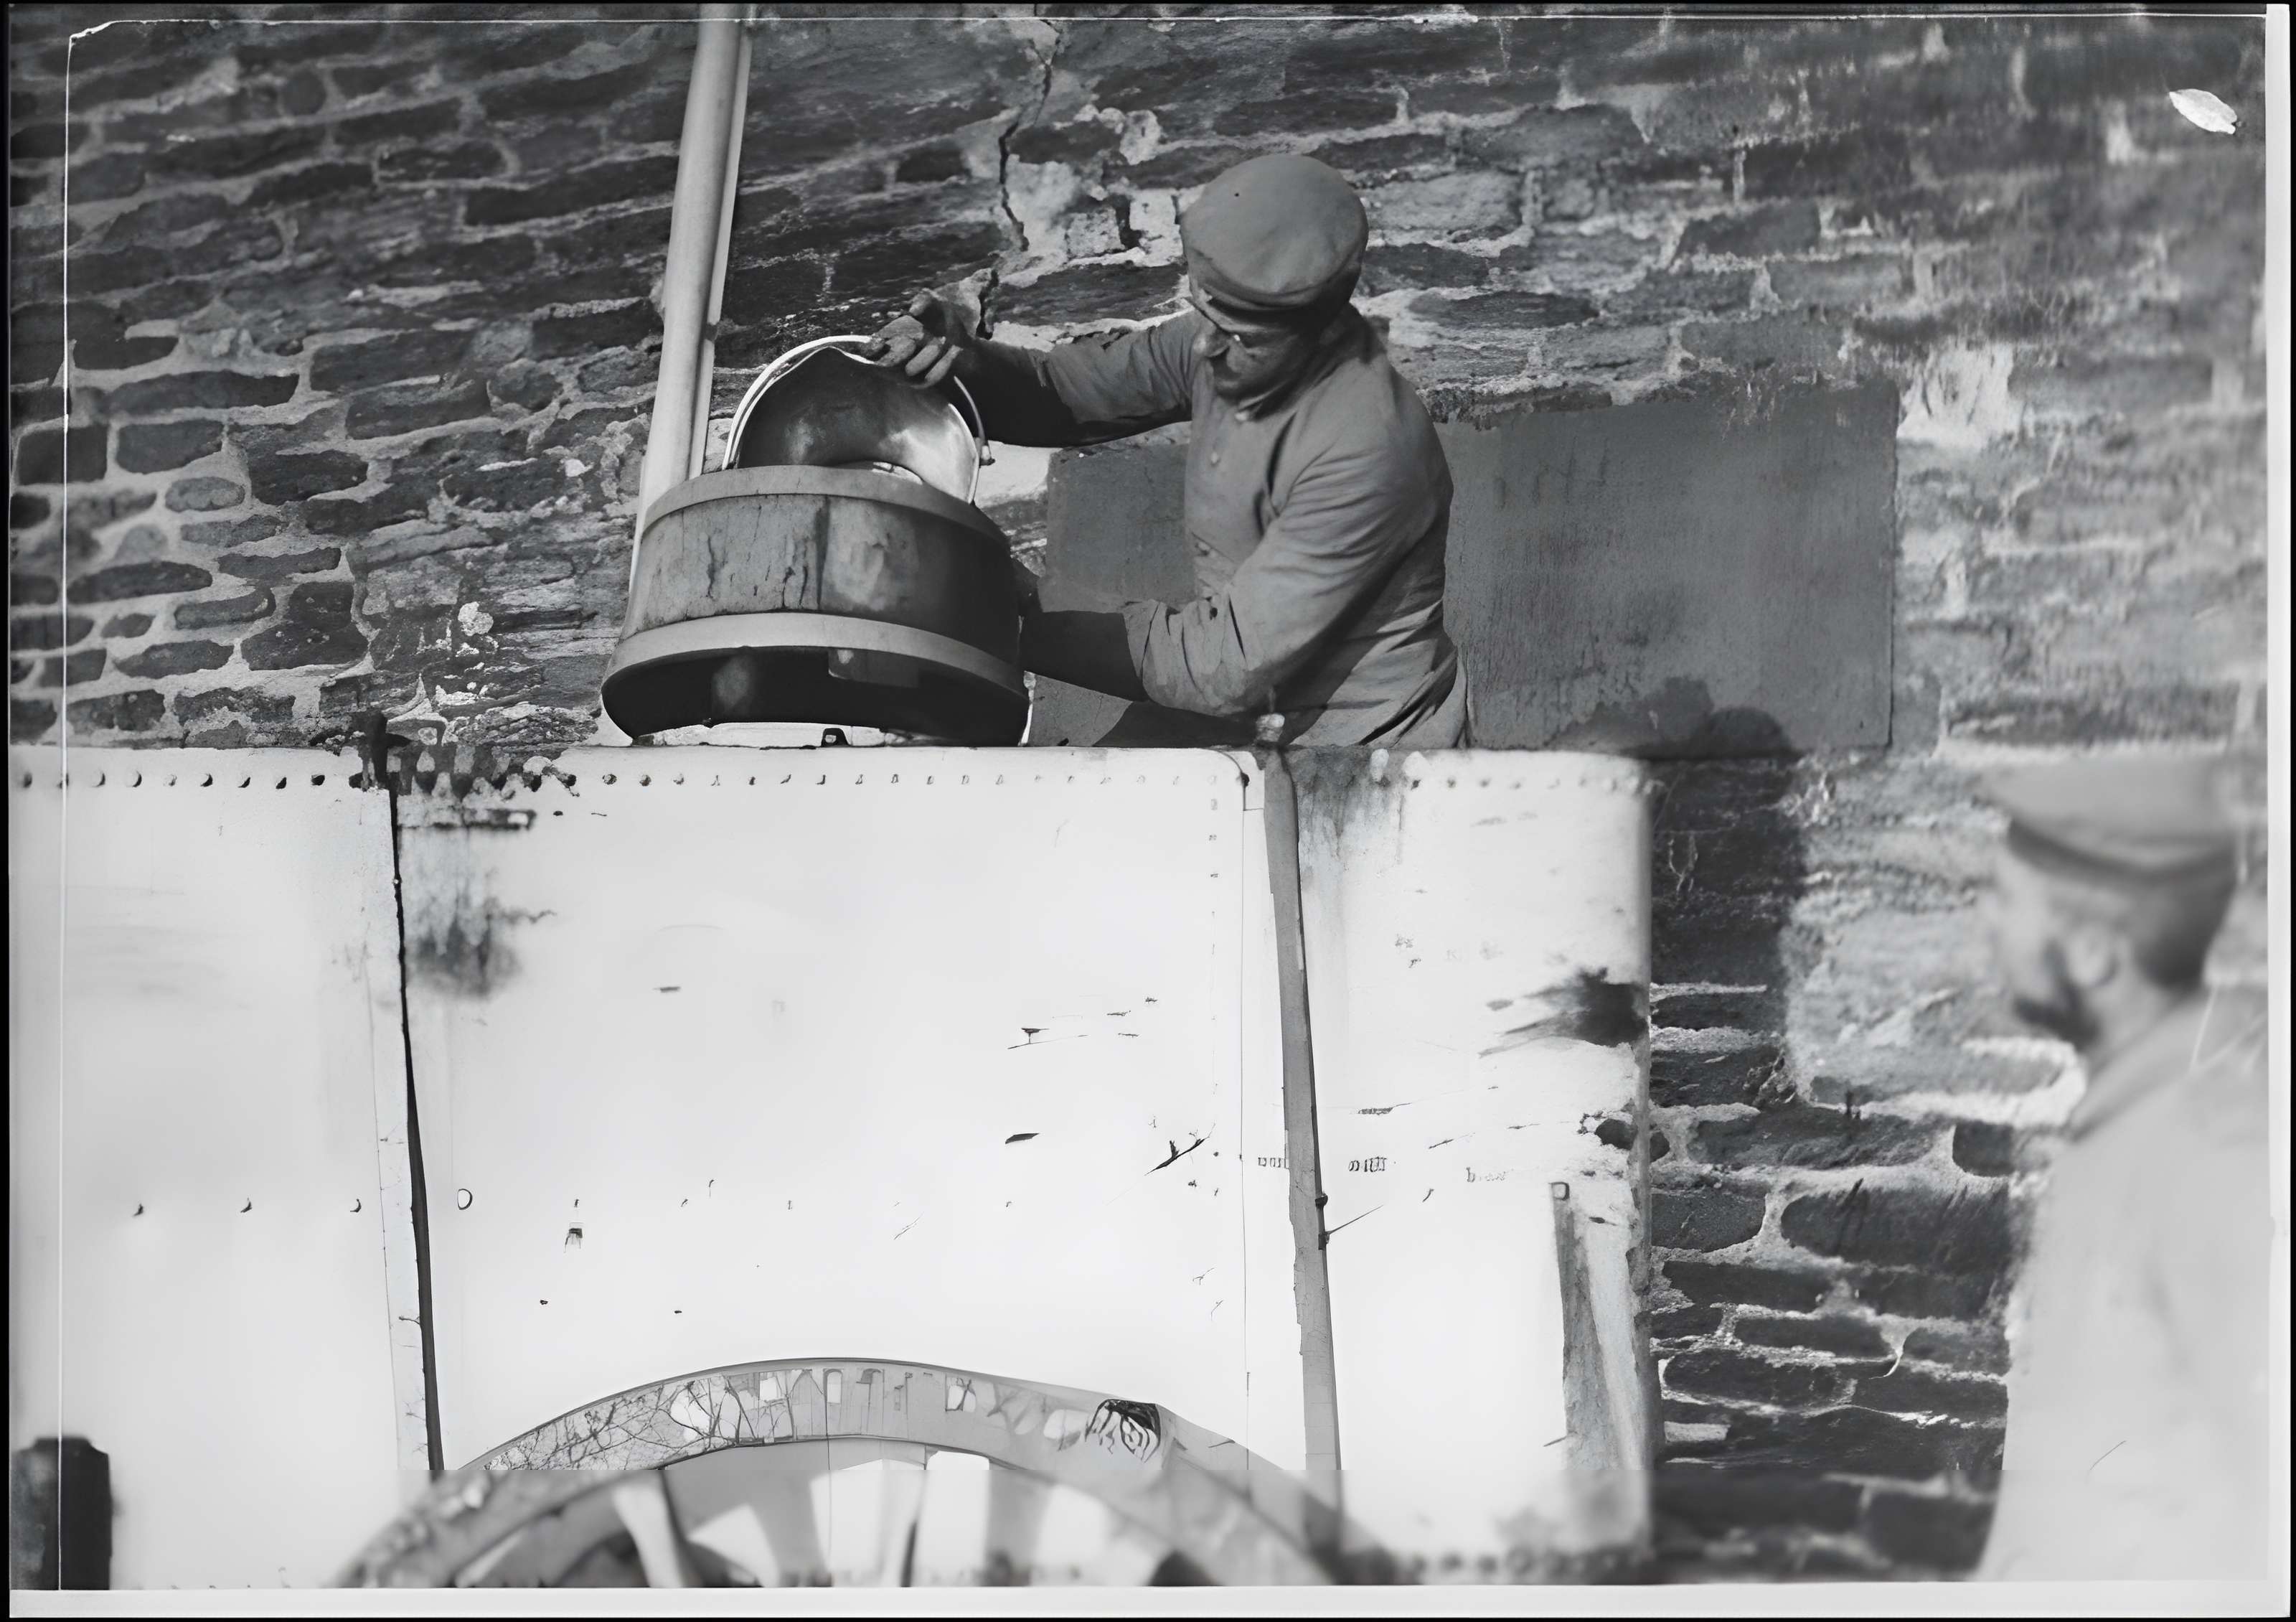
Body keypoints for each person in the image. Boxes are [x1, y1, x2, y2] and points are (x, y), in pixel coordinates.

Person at [866, 153, 1467, 749]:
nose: (1203, 343)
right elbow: (1067, 390)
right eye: (1203, 308)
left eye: (1238, 335)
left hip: (1358, 747)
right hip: (1240, 707)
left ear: (1320, 326)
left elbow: (1223, 667)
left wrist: (987, 607)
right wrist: (959, 361)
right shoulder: (1225, 341)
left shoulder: (1370, 449)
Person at [1972, 755, 2271, 1582]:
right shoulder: (2130, 1114)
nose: (1984, 922)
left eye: (2003, 898)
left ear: (2097, 953)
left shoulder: (2218, 1152)